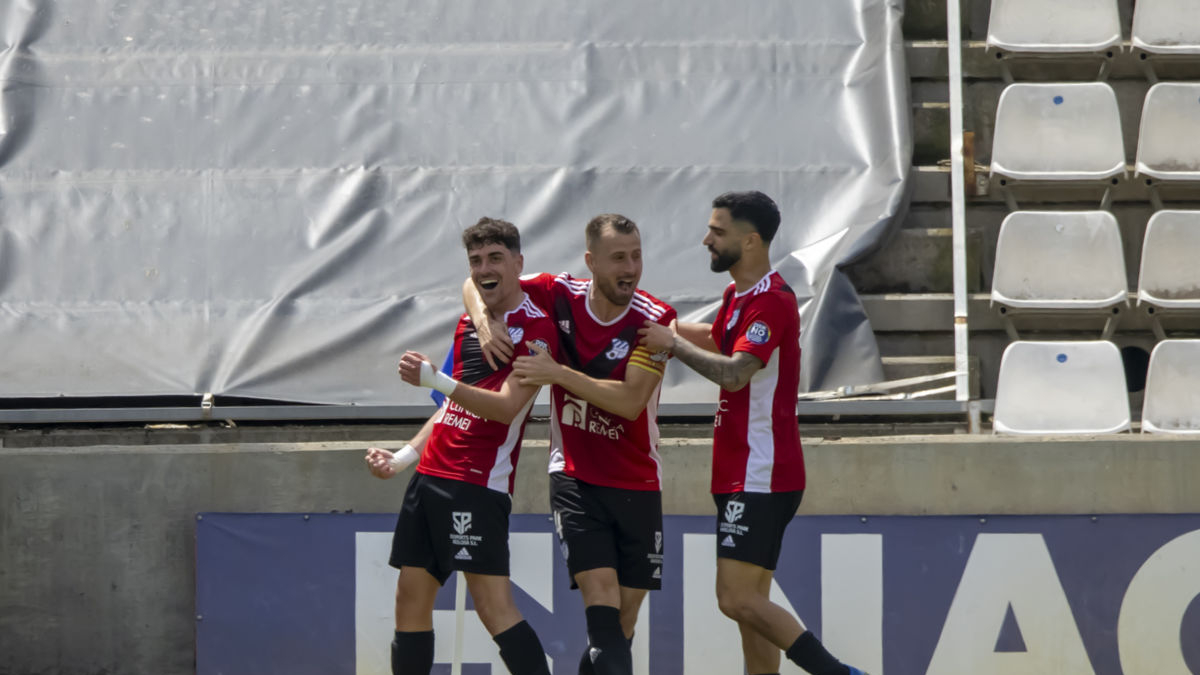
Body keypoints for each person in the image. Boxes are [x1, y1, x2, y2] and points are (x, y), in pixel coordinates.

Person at [637, 192, 869, 675]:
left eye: (717, 231)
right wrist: (643, 325)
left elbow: (735, 373)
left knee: (735, 598)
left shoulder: (772, 302)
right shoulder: (737, 297)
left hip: (760, 472)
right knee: (753, 613)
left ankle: (837, 672)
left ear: (751, 240)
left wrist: (671, 343)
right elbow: (716, 338)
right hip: (743, 470)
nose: (706, 239)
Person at [464, 213, 675, 675]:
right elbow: (479, 280)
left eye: (636, 255)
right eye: (618, 257)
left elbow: (631, 403)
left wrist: (557, 373)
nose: (632, 267)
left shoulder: (655, 320)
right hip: (576, 477)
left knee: (622, 622)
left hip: (638, 480)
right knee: (601, 604)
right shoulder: (559, 293)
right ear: (591, 262)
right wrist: (483, 323)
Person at [365, 217, 557, 675]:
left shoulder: (537, 329)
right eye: (475, 260)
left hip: (476, 483)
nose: (484, 268)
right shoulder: (470, 320)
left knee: (493, 607)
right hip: (431, 476)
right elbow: (451, 409)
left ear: (518, 263)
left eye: (495, 258)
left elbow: (505, 408)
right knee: (409, 597)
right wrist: (402, 458)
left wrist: (436, 379)